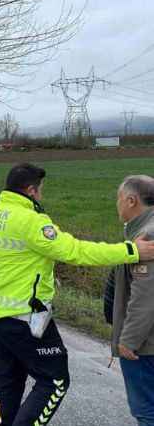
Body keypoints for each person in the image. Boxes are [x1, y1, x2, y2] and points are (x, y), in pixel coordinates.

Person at [0, 163, 154, 426]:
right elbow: (76, 251)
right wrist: (131, 251)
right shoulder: (32, 221)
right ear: (32, 191)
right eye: (41, 191)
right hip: (28, 319)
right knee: (55, 381)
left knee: (9, 380)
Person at [110, 175, 154, 425]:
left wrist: (128, 340)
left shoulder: (147, 237)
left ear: (131, 200)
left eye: (119, 199)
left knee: (147, 411)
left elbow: (146, 296)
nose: (117, 204)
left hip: (145, 346)